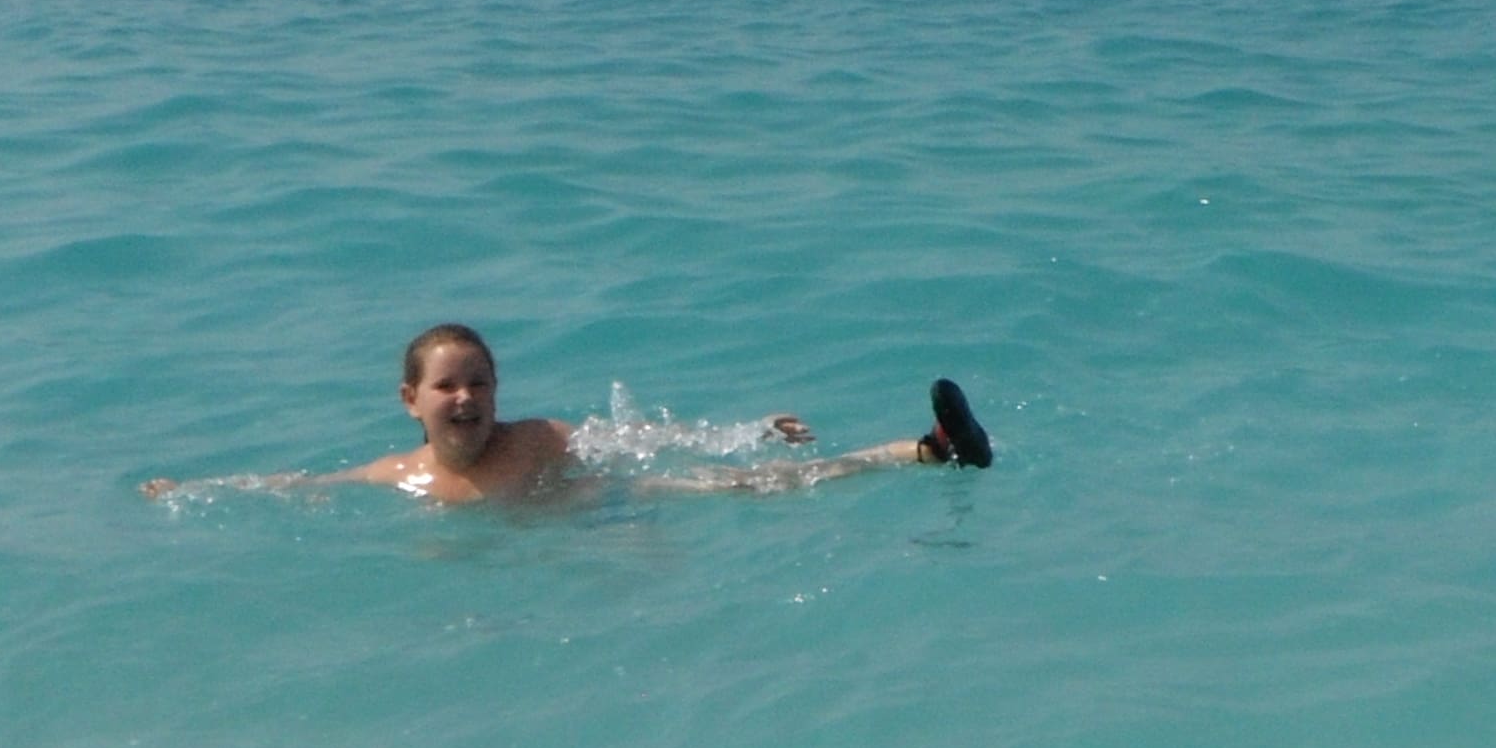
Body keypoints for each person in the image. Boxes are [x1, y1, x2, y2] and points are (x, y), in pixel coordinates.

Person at [144, 324, 991, 501]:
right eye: (447, 387)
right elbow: (301, 483)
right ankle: (926, 453)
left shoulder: (539, 438)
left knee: (748, 485)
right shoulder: (398, 476)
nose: (467, 397)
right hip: (549, 546)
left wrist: (747, 428)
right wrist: (197, 487)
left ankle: (922, 450)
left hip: (602, 503)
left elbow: (647, 437)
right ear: (411, 402)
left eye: (480, 382)